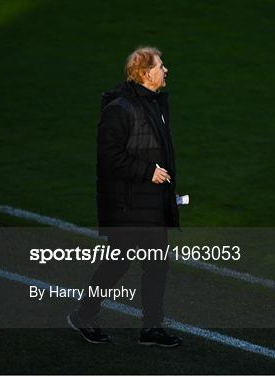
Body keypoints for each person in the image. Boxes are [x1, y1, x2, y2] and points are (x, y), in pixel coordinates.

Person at [67, 46, 182, 347]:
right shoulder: (120, 109)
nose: (165, 70)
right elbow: (108, 157)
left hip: (151, 202)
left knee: (157, 264)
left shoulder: (155, 103)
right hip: (126, 204)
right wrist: (147, 172)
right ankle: (84, 314)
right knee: (118, 262)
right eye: (161, 65)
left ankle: (152, 328)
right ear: (145, 73)